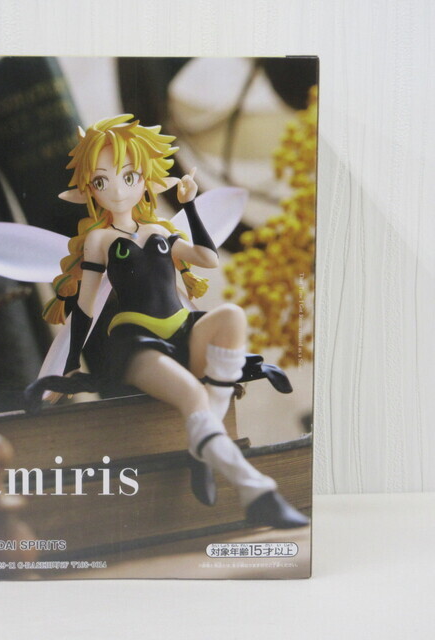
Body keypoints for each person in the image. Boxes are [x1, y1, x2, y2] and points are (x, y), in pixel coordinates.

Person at [41, 115, 308, 528]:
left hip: (184, 329)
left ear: (145, 178)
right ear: (89, 189)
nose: (117, 190)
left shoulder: (158, 232)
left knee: (231, 315)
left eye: (129, 176)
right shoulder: (100, 241)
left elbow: (208, 258)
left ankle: (203, 444)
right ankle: (257, 491)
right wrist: (72, 358)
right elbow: (87, 307)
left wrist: (189, 206)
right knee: (193, 396)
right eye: (101, 181)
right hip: (136, 341)